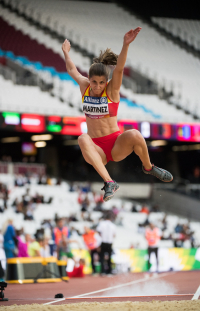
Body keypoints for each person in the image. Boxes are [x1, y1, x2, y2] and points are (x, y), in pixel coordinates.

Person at [62, 27, 173, 202]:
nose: (97, 87)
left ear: (106, 82)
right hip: (96, 149)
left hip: (115, 144)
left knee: (135, 134)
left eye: (101, 83)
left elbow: (119, 70)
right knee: (82, 138)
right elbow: (71, 70)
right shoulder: (84, 87)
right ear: (89, 80)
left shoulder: (111, 91)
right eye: (94, 82)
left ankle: (148, 167)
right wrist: (66, 53)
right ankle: (109, 182)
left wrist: (125, 45)